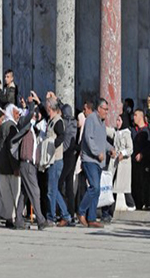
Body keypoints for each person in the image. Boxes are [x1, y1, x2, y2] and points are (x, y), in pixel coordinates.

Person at [78, 99, 115, 228]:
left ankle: (92, 218)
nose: (106, 112)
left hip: (99, 161)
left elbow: (102, 141)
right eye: (105, 109)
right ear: (99, 108)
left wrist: (111, 149)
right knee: (94, 187)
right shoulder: (91, 119)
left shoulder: (102, 123)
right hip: (90, 160)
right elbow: (88, 138)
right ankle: (81, 211)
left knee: (97, 191)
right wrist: (96, 152)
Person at [11, 98, 47, 230]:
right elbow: (25, 121)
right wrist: (31, 105)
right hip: (26, 164)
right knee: (35, 191)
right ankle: (40, 220)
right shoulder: (25, 127)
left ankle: (19, 220)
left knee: (24, 193)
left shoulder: (33, 129)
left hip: (31, 165)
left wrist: (38, 103)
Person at [44, 94, 74, 227]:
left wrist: (53, 144)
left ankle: (51, 217)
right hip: (50, 160)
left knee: (51, 190)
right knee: (54, 189)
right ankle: (66, 215)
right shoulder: (51, 120)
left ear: (50, 107)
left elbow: (61, 136)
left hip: (56, 160)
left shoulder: (58, 121)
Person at [0, 104, 21, 228]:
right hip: (10, 167)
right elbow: (12, 149)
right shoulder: (12, 127)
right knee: (13, 192)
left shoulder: (2, 126)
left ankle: (2, 215)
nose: (18, 116)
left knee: (5, 193)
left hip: (2, 165)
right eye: (16, 113)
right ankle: (11, 217)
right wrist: (15, 167)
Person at [109, 114, 134, 214]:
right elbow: (109, 132)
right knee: (114, 186)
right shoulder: (117, 132)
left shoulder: (126, 134)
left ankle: (131, 204)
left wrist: (122, 154)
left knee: (123, 186)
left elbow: (130, 148)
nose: (117, 122)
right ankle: (110, 210)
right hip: (115, 163)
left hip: (123, 164)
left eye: (119, 120)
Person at [131, 109, 150, 210]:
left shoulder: (147, 130)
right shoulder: (133, 130)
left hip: (144, 162)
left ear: (141, 117)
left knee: (144, 182)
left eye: (135, 115)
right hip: (134, 162)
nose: (134, 117)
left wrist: (142, 154)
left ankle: (145, 202)